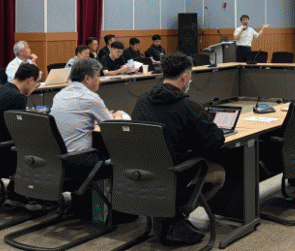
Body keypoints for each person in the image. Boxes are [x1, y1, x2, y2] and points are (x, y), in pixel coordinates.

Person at [132, 52, 225, 245]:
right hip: (176, 174)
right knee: (219, 173)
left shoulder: (141, 102)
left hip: (144, 173)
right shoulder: (188, 106)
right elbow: (214, 141)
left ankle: (166, 214)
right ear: (185, 77)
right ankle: (174, 214)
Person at [51, 58, 123, 152]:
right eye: (98, 76)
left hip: (57, 155)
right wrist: (118, 116)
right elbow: (112, 128)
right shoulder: (90, 98)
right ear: (87, 78)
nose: (99, 80)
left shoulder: (59, 95)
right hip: (79, 156)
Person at [0, 63, 40, 143]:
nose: (36, 86)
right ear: (31, 80)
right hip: (4, 144)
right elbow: (19, 131)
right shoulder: (18, 97)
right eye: (37, 83)